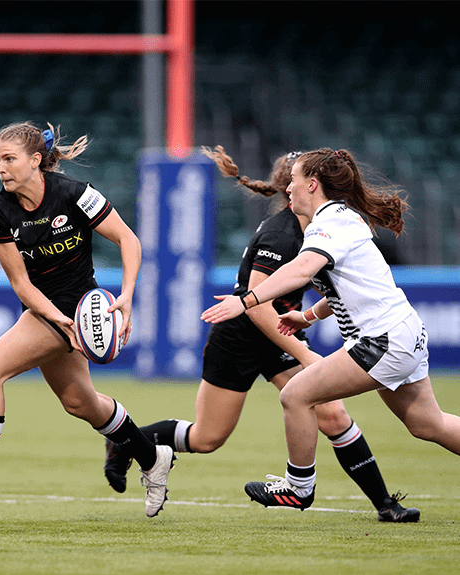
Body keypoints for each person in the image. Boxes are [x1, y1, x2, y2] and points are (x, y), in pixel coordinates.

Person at [105, 147, 420, 521]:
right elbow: (254, 305)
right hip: (243, 331)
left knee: (333, 415)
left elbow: (331, 287)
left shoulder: (321, 226)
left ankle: (385, 504)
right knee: (208, 438)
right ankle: (127, 442)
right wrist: (305, 354)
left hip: (279, 326)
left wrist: (308, 316)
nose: (293, 189)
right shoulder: (282, 234)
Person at [0, 121, 174, 517]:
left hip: (82, 305)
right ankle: (152, 457)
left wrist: (127, 296)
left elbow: (129, 239)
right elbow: (21, 285)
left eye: (9, 159)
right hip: (49, 310)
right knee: (80, 402)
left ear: (36, 160)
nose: (1, 167)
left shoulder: (75, 194)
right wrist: (58, 319)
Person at [203, 147, 460, 512]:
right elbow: (346, 288)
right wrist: (307, 318)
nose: (287, 188)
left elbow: (303, 270)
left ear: (311, 184)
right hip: (404, 334)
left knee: (296, 395)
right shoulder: (338, 219)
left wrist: (246, 300)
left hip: (384, 341)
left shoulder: (329, 224)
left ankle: (298, 487)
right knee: (427, 424)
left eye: (292, 181)